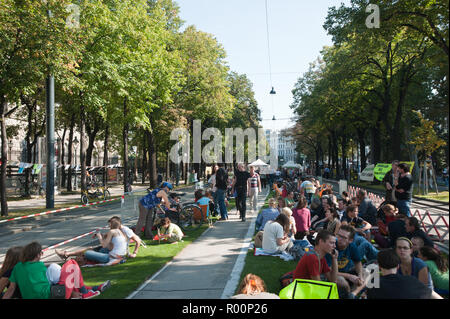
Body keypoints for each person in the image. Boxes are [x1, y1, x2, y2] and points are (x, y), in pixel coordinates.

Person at [3, 242, 107, 299]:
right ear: (38, 254)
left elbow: (11, 289)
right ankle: (83, 293)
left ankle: (87, 290)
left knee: (58, 269)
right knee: (72, 264)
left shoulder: (17, 268)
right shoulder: (40, 265)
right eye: (41, 253)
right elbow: (53, 280)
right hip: (55, 295)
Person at [366, 249, 441, 299]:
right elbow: (435, 296)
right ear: (398, 266)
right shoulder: (411, 280)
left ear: (379, 266)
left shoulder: (373, 285)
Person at [56, 219, 128, 264]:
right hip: (118, 256)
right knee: (91, 249)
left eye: (109, 225)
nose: (109, 227)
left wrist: (100, 237)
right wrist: (103, 237)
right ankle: (67, 254)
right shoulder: (122, 233)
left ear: (112, 225)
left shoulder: (112, 231)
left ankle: (67, 255)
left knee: (87, 252)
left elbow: (104, 245)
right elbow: (110, 247)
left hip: (110, 258)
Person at [325, 225, 363, 294]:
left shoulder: (352, 246)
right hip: (332, 275)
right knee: (342, 281)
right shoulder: (331, 246)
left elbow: (358, 262)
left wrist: (360, 275)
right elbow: (329, 271)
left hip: (347, 271)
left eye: (344, 237)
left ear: (350, 240)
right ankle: (349, 295)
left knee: (369, 271)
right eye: (339, 235)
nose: (339, 239)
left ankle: (354, 293)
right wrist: (349, 276)